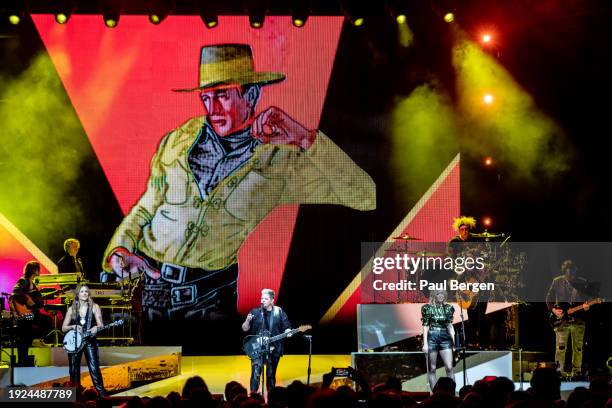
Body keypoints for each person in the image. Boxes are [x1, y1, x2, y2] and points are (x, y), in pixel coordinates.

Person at [101, 44, 375, 328]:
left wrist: (305, 138)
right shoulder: (176, 141)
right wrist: (120, 250)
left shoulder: (279, 161)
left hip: (210, 300)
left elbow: (365, 196)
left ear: (252, 94)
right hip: (148, 290)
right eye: (206, 98)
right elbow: (145, 207)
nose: (212, 109)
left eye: (222, 96)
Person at [546, 260, 593, 379]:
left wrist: (587, 307)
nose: (571, 277)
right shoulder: (557, 281)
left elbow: (587, 300)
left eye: (573, 274)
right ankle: (559, 372)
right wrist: (553, 310)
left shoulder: (582, 282)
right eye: (568, 275)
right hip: (561, 320)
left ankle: (576, 372)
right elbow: (548, 298)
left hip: (578, 320)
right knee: (560, 348)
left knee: (578, 348)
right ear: (564, 273)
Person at [447, 216, 487, 349]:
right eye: (462, 229)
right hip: (463, 279)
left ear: (469, 230)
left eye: (466, 229)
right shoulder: (454, 242)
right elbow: (452, 261)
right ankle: (470, 341)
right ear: (458, 230)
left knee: (481, 311)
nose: (464, 231)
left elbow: (484, 256)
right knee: (470, 311)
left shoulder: (476, 241)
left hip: (478, 278)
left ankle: (481, 341)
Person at [241, 288, 291, 393]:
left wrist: (288, 331)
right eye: (261, 298)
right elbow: (245, 328)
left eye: (265, 298)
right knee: (255, 375)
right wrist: (247, 320)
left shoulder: (279, 311)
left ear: (272, 300)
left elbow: (286, 326)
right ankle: (253, 397)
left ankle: (272, 398)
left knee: (270, 375)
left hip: (274, 348)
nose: (262, 300)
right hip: (257, 348)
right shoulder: (255, 312)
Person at [61, 284, 107, 396]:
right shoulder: (72, 309)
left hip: (90, 341)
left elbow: (101, 324)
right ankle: (76, 396)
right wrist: (73, 327)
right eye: (82, 291)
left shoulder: (95, 307)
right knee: (74, 371)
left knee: (94, 369)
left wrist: (97, 327)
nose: (85, 293)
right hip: (75, 343)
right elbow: (63, 328)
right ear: (77, 294)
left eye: (86, 291)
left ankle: (102, 395)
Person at [9, 261, 51, 366]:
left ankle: (25, 360)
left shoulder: (32, 283)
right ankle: (33, 343)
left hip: (30, 314)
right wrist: (27, 300)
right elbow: (15, 292)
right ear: (34, 270)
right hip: (25, 314)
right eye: (38, 269)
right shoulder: (24, 280)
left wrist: (44, 302)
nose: (39, 271)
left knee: (25, 336)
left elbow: (36, 302)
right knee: (45, 322)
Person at [421, 289, 456, 391]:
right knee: (432, 369)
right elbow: (425, 326)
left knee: (449, 367)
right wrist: (425, 344)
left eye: (442, 294)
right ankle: (436, 394)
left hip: (445, 338)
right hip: (432, 337)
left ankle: (451, 392)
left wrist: (454, 343)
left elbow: (450, 326)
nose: (441, 295)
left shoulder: (448, 308)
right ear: (434, 295)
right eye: (438, 294)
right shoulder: (428, 308)